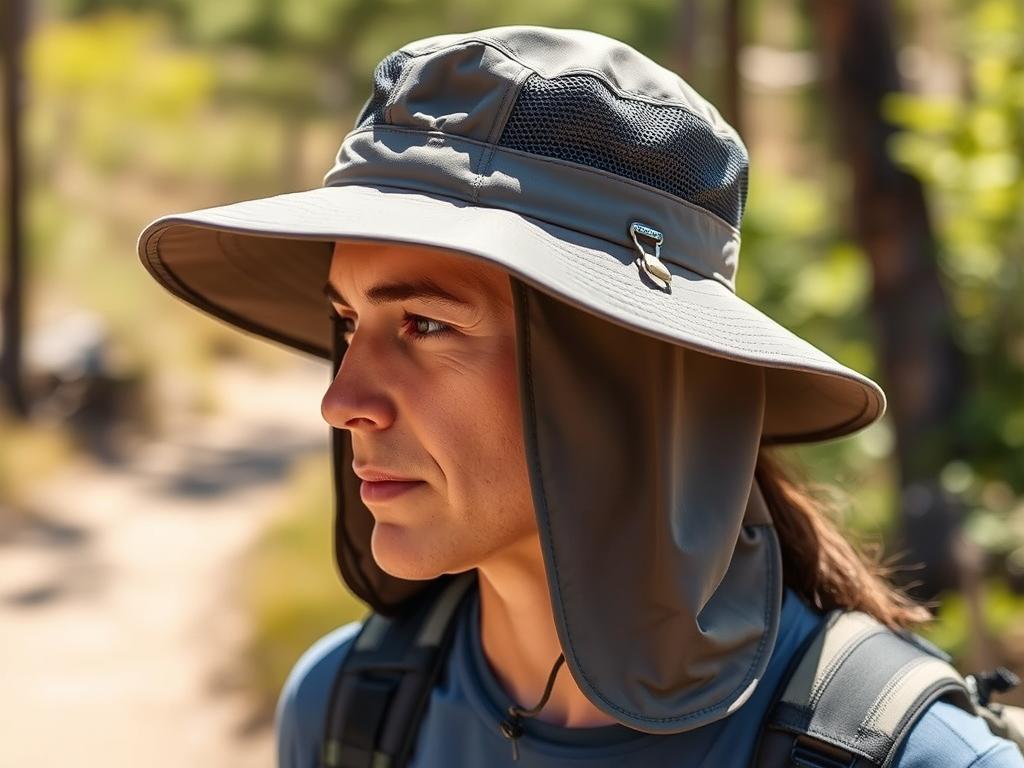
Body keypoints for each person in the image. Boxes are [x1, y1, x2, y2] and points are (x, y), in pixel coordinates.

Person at [136, 25, 1024, 767]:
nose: (341, 402)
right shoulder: (347, 716)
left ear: (620, 372)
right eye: (348, 322)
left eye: (425, 326)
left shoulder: (917, 756)